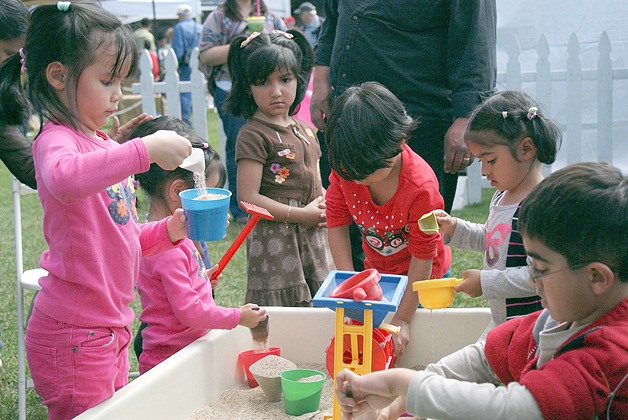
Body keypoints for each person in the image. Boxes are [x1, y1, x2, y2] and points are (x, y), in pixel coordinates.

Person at [0, 3, 193, 418]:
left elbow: (119, 236)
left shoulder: (102, 144)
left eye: (121, 82)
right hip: (73, 334)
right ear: (58, 76)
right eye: (107, 81)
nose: (118, 94)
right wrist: (142, 151)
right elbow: (64, 179)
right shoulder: (55, 141)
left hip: (110, 328)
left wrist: (168, 231)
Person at [335, 162, 627, 420]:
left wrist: (402, 384)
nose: (533, 280)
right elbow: (486, 357)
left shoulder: (611, 350)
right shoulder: (561, 317)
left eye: (539, 268)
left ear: (597, 278)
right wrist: (396, 399)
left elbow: (519, 409)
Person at [311, 1, 497, 270]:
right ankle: (361, 304)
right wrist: (320, 78)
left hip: (417, 119)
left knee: (416, 240)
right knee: (352, 234)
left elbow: (474, 35)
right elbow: (334, 15)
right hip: (349, 118)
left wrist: (467, 114)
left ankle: (413, 307)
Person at [325, 82, 452, 359]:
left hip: (426, 280)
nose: (357, 180)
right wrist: (351, 283)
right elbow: (335, 222)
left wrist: (404, 318)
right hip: (381, 277)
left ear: (400, 141)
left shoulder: (421, 188)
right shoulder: (348, 168)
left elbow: (423, 255)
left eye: (367, 172)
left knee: (422, 347)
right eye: (350, 173)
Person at [130, 117, 266, 374]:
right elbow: (189, 312)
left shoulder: (175, 236)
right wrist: (238, 316)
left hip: (183, 352)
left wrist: (201, 279)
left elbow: (170, 291)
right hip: (170, 361)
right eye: (206, 194)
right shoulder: (166, 250)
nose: (211, 203)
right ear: (179, 191)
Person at [433, 91, 562, 328]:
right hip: (503, 321)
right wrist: (455, 228)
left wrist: (486, 282)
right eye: (480, 161)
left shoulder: (540, 206)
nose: (483, 171)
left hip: (531, 325)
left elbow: (539, 275)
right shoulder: (503, 194)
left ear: (526, 149)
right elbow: (495, 240)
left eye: (490, 160)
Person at [225, 29, 334, 307]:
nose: (276, 91)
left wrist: (326, 205)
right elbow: (248, 199)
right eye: (263, 82)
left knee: (321, 307)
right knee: (286, 315)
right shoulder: (253, 134)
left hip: (313, 237)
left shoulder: (306, 130)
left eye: (285, 80)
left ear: (299, 79)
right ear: (248, 86)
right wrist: (301, 215)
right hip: (277, 242)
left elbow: (316, 183)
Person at [198, 0, 286, 224]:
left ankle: (273, 201)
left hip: (266, 88)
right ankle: (242, 208)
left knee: (275, 146)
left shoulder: (271, 17)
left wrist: (268, 40)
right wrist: (242, 45)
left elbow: (286, 49)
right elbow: (206, 55)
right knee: (241, 145)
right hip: (230, 88)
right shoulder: (218, 18)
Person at [171, 4, 202, 126]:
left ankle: (187, 124)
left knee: (185, 97)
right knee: (199, 95)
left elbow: (177, 51)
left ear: (180, 15)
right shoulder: (200, 27)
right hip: (200, 64)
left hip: (186, 66)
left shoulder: (179, 28)